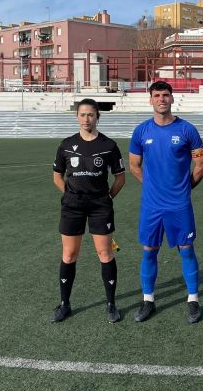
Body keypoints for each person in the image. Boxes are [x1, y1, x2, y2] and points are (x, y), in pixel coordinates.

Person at [129, 81, 203, 324]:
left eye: (166, 95)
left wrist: (183, 189)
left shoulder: (187, 130)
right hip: (152, 206)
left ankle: (193, 300)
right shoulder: (141, 131)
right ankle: (148, 300)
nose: (162, 99)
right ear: (150, 99)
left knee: (186, 250)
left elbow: (202, 166)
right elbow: (134, 166)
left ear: (172, 99)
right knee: (149, 251)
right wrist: (153, 187)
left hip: (179, 205)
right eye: (157, 95)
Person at [50, 98, 126, 323]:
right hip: (72, 206)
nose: (86, 119)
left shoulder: (108, 145)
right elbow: (57, 176)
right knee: (69, 254)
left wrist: (108, 196)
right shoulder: (66, 144)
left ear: (97, 117)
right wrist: (68, 195)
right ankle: (65, 304)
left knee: (105, 253)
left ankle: (111, 304)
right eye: (82, 115)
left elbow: (120, 177)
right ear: (77, 117)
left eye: (90, 115)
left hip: (100, 205)